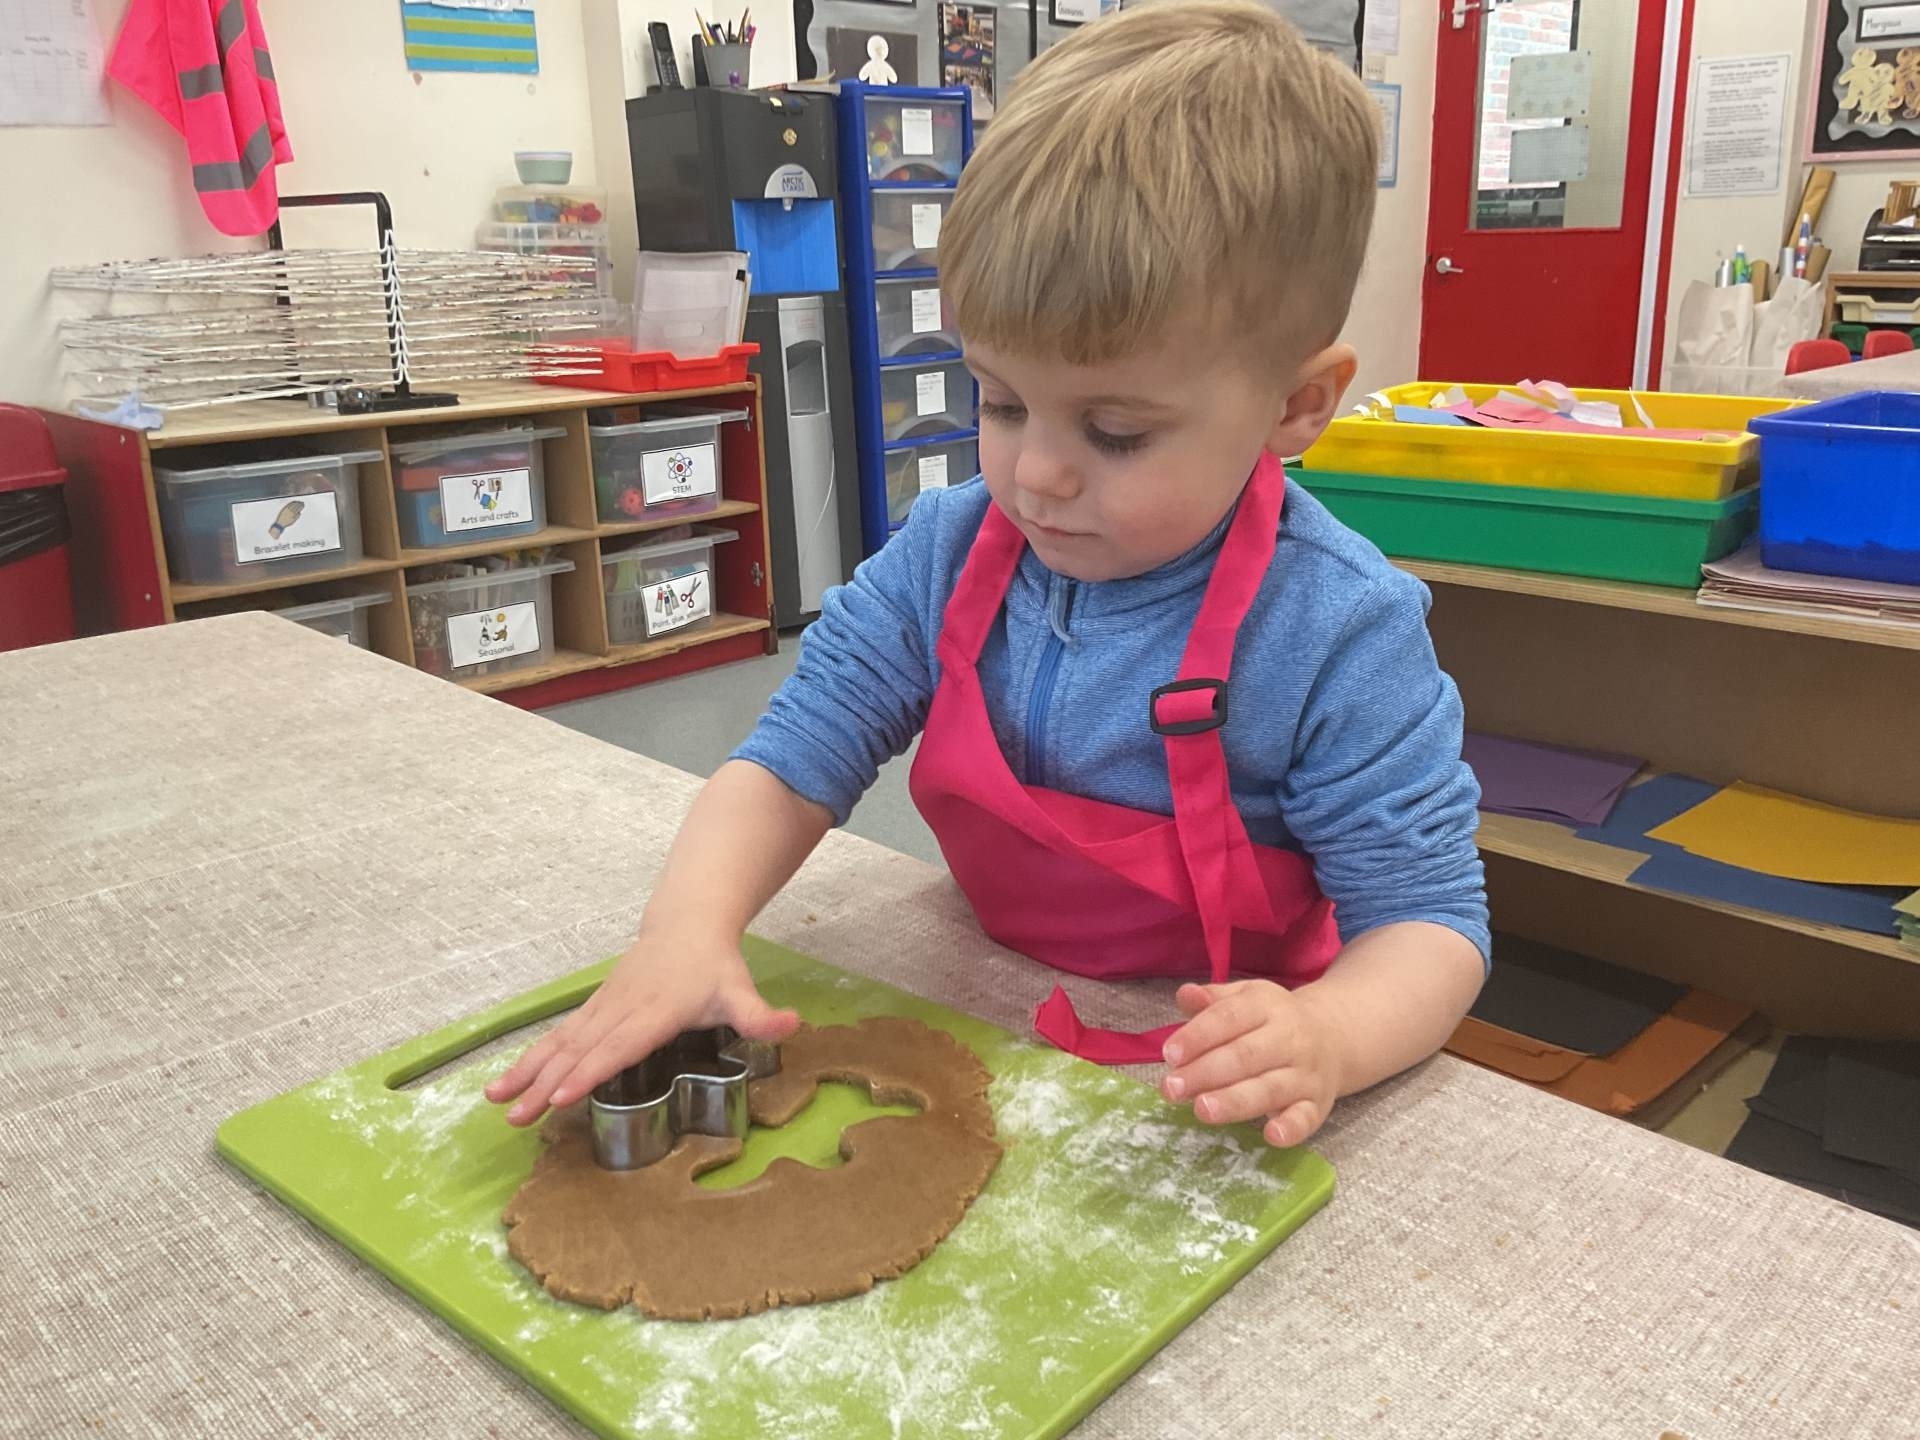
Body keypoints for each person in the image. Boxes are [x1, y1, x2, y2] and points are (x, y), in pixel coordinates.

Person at [489, 0, 1488, 1150]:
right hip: (982, 992)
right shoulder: (951, 552)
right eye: (1002, 402)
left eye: (1115, 432)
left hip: (1216, 1067)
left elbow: (1431, 929)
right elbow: (790, 761)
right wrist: (687, 931)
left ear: (1297, 405)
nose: (1036, 475)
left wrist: (1330, 1035)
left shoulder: (1337, 630)